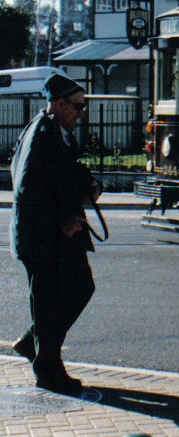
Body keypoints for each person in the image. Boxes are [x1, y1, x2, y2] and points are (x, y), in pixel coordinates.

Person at [9, 73, 101, 396]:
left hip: (60, 237)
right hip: (42, 239)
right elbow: (27, 189)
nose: (81, 112)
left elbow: (64, 174)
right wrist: (62, 221)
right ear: (59, 104)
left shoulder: (59, 133)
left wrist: (88, 186)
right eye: (77, 106)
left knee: (81, 286)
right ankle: (48, 370)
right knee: (47, 303)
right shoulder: (41, 134)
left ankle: (35, 342)